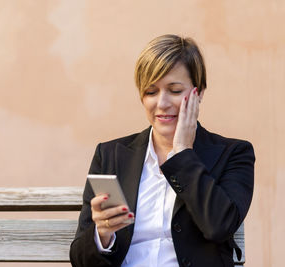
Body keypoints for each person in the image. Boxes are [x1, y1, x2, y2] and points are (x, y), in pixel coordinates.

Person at [69, 34, 255, 267]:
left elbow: (219, 226)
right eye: (150, 91)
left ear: (199, 93)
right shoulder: (110, 155)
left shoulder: (234, 153)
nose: (162, 103)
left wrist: (183, 154)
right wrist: (103, 235)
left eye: (175, 90)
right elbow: (80, 259)